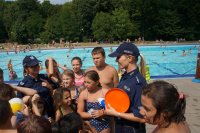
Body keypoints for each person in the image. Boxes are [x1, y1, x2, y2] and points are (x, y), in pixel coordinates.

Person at [105, 42, 146, 133]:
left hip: (132, 129)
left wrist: (116, 113)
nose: (116, 60)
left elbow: (142, 117)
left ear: (130, 58)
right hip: (121, 126)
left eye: (118, 57)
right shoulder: (126, 76)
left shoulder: (138, 82)